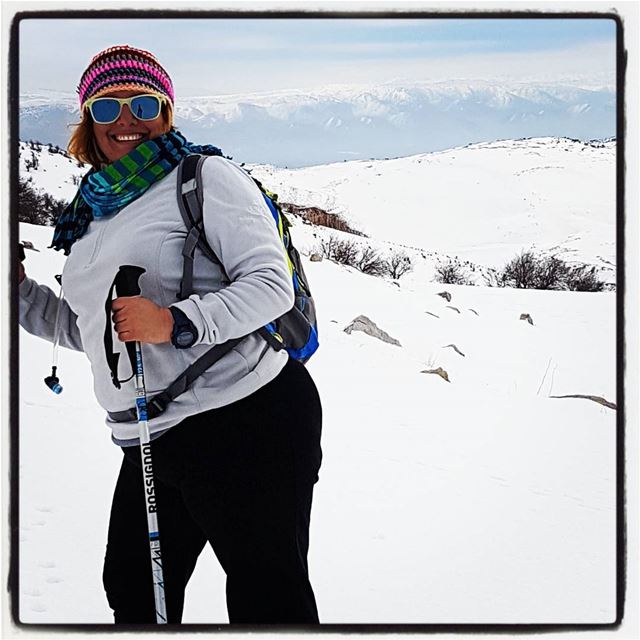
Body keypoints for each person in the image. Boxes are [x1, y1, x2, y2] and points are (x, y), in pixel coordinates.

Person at [18, 45, 323, 625]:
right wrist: (19, 293)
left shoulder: (205, 178)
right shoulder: (92, 215)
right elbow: (92, 332)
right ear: (88, 122)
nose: (125, 119)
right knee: (134, 591)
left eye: (143, 103)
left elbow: (269, 287)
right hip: (152, 432)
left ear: (167, 111)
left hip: (247, 416)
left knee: (268, 599)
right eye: (107, 107)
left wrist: (176, 322)